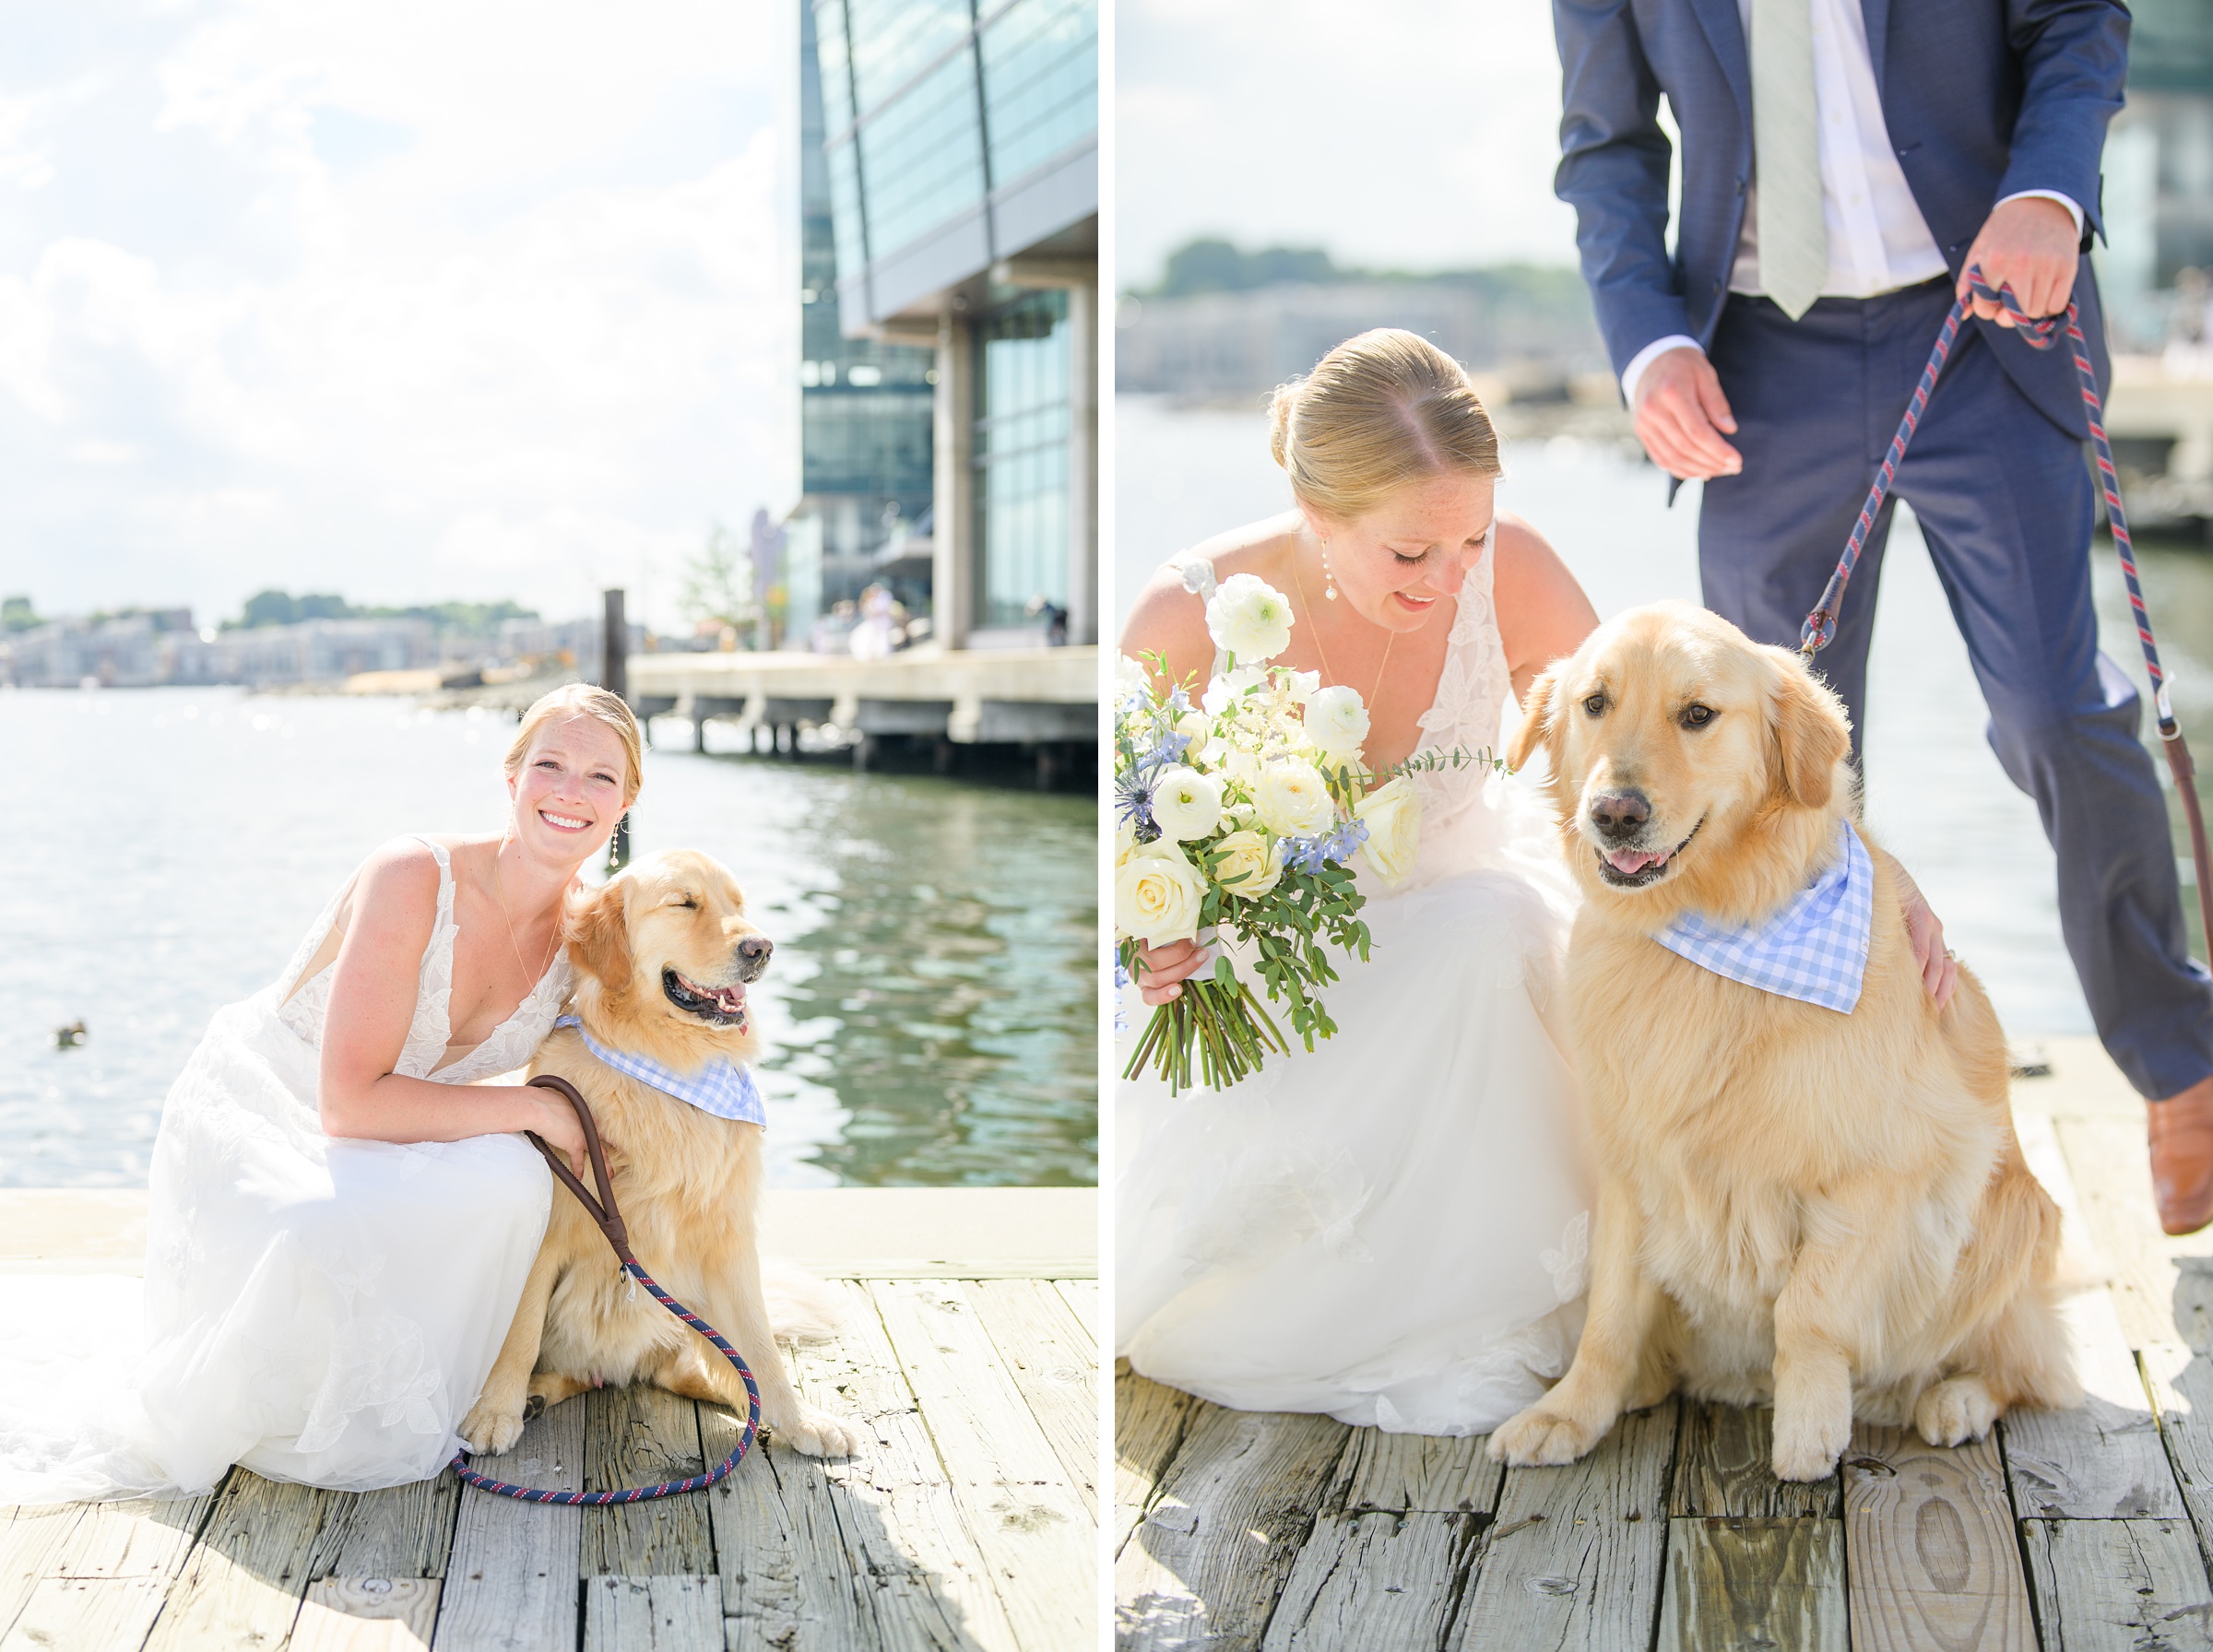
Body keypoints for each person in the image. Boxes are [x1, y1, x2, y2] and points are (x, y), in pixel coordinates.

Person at [1116, 328, 1956, 1432]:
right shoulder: (1184, 611)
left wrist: (1880, 878)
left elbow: (1666, 740)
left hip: (1461, 927)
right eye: (1411, 554)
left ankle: (1590, 1316)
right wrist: (1149, 937)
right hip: (1261, 978)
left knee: (1498, 931)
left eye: (1469, 538)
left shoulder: (1507, 570)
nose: (1453, 578)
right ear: (1318, 516)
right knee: (1488, 938)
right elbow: (1123, 851)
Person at [1550, 0, 2213, 1232]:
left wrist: (2050, 195)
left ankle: (2182, 1060)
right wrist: (1646, 346)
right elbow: (1607, 146)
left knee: (2055, 717)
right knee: (1770, 778)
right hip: (1754, 360)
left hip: (1986, 324)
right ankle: (1811, 1113)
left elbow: (2078, 19)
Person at [0, 683, 633, 1502]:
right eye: (550, 764)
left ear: (626, 803)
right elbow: (350, 1106)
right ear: (510, 777)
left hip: (407, 1122)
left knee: (517, 1185)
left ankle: (433, 1374)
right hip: (278, 1098)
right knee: (317, 1222)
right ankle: (299, 1397)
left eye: (600, 778)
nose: (571, 793)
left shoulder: (588, 931)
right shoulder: (414, 874)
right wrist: (536, 1107)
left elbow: (658, 1020)